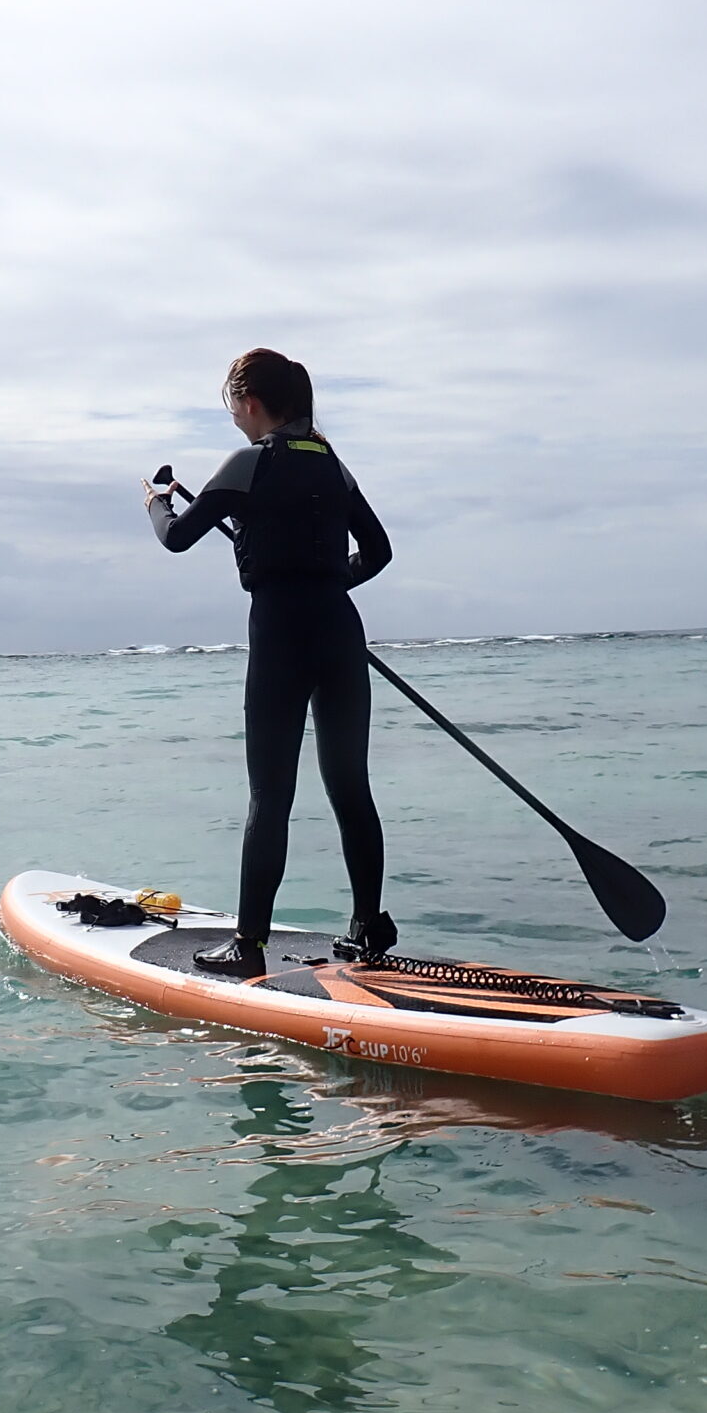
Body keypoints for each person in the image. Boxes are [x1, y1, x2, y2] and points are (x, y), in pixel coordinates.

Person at [145, 349, 396, 977]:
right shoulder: (333, 466)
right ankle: (368, 928)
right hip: (339, 631)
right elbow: (380, 550)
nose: (233, 416)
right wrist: (328, 584)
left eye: (232, 405)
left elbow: (176, 538)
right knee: (351, 789)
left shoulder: (247, 464)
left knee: (271, 795)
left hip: (281, 637)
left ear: (249, 403)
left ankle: (249, 943)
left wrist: (156, 501)